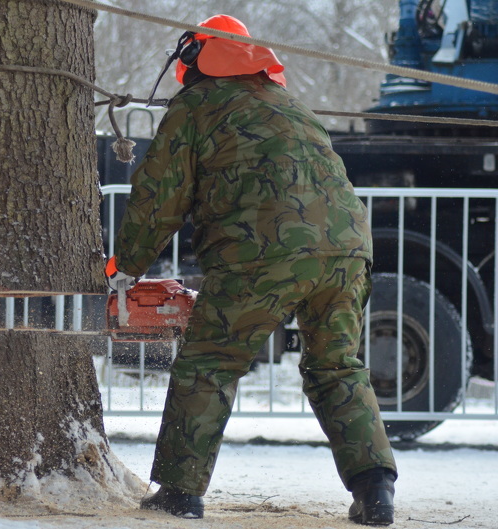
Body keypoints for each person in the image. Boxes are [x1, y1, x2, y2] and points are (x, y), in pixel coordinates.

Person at [104, 14, 398, 525]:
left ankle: (179, 491)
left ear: (195, 58)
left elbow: (159, 200)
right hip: (348, 251)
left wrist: (123, 266)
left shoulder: (195, 107)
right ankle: (375, 491)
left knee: (211, 362)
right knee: (337, 367)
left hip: (262, 252)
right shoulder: (292, 105)